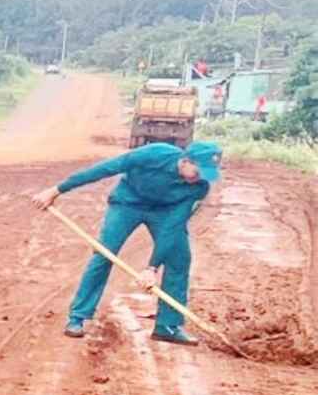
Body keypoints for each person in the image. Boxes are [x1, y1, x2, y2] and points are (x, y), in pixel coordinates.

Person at [32, 140, 223, 344]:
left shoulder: (199, 188)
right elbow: (104, 169)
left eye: (207, 173)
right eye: (199, 170)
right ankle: (78, 317)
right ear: (185, 161)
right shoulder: (154, 154)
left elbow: (173, 227)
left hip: (165, 213)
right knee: (104, 254)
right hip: (127, 203)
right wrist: (56, 190)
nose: (201, 177)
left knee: (179, 258)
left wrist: (152, 267)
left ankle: (168, 326)